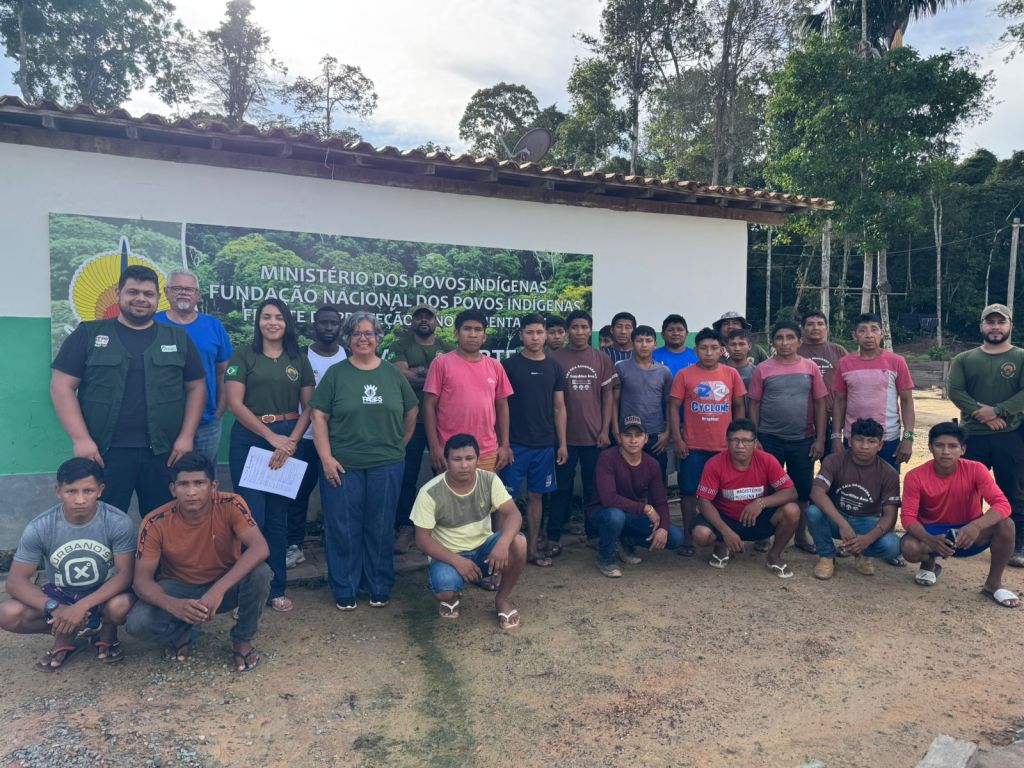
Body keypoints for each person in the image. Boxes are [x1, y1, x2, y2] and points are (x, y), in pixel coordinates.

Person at [50, 264, 206, 516]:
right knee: (103, 520)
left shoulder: (177, 338)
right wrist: (81, 439)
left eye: (148, 294)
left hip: (163, 453)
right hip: (103, 453)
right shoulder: (89, 334)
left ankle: (153, 558)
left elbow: (197, 388)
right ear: (118, 293)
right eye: (133, 292)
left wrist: (186, 437)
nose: (141, 299)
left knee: (163, 521)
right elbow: (61, 386)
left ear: (158, 298)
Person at [310, 312, 418, 610]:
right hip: (343, 465)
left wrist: (401, 443)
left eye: (369, 333)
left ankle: (378, 584)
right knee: (343, 527)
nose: (363, 338)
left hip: (387, 464)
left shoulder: (392, 374)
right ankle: (345, 586)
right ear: (348, 339)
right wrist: (326, 458)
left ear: (378, 338)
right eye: (356, 333)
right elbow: (318, 415)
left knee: (381, 527)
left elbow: (411, 410)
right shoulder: (336, 374)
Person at [126, 452, 273, 671]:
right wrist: (173, 605)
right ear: (173, 489)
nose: (192, 492)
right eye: (184, 484)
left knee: (260, 572)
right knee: (137, 624)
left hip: (223, 585)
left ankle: (242, 639)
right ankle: (183, 629)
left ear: (213, 486)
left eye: (199, 483)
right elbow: (141, 581)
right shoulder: (155, 521)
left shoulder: (231, 504)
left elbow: (260, 547)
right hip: (177, 587)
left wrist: (217, 591)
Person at [0, 458, 135, 671]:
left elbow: (125, 574)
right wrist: (56, 608)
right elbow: (16, 582)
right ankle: (68, 632)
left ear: (100, 490)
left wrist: (82, 606)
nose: (80, 500)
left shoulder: (117, 522)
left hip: (105, 593)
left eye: (88, 491)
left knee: (121, 606)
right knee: (7, 614)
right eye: (71, 491)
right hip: (61, 594)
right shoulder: (41, 526)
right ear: (58, 491)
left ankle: (107, 630)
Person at [225, 298, 314, 613]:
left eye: (279, 317)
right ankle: (246, 593)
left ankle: (276, 588)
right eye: (266, 317)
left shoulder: (297, 358)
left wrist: (290, 441)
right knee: (251, 519)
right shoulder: (244, 355)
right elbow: (235, 403)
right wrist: (270, 437)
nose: (273, 322)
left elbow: (310, 407)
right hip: (251, 439)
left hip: (289, 442)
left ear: (287, 323)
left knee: (277, 520)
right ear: (258, 322)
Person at [411, 434, 527, 629]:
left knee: (519, 542)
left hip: (484, 550)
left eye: (469, 458)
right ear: (446, 462)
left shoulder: (489, 480)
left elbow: (514, 514)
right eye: (457, 459)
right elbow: (422, 539)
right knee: (444, 590)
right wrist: (458, 561)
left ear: (477, 460)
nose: (464, 465)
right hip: (450, 556)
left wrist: (502, 543)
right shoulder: (430, 492)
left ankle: (502, 600)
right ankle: (453, 596)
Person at [899, 423, 1019, 608]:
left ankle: (993, 584)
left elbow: (1002, 504)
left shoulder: (977, 469)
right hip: (933, 531)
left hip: (968, 531)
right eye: (939, 445)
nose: (946, 451)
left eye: (953, 446)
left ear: (962, 449)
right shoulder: (915, 476)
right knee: (909, 548)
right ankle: (929, 562)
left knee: (1006, 524)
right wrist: (929, 539)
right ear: (930, 448)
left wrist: (976, 526)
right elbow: (907, 517)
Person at [947, 303, 1024, 567]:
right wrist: (985, 414)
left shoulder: (1020, 357)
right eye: (990, 322)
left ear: (1009, 326)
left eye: (1000, 322)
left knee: (1012, 489)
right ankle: (967, 537)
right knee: (967, 490)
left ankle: (1016, 544)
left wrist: (1000, 410)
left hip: (1010, 434)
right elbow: (956, 391)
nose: (995, 327)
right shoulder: (965, 359)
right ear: (981, 326)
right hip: (972, 435)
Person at [748, 321, 827, 553]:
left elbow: (820, 403)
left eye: (790, 337)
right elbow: (754, 404)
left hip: (802, 440)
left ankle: (801, 535)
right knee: (768, 489)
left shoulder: (810, 368)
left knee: (802, 491)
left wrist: (820, 438)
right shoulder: (763, 368)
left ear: (799, 342)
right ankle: (764, 535)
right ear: (772, 342)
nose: (785, 343)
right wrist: (755, 437)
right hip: (769, 439)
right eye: (780, 338)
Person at [669, 327, 746, 555]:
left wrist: (738, 437)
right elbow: (673, 407)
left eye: (714, 348)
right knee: (689, 491)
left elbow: (740, 405)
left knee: (724, 494)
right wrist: (678, 438)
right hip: (693, 446)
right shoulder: (684, 374)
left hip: (724, 447)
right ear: (696, 350)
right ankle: (688, 538)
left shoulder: (731, 374)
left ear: (722, 350)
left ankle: (722, 537)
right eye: (703, 348)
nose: (709, 353)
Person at [691, 419, 800, 578]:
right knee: (701, 533)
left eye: (746, 441)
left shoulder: (767, 460)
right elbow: (703, 501)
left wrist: (761, 503)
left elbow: (791, 492)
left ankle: (774, 555)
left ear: (755, 443)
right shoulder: (714, 464)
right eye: (735, 440)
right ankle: (721, 544)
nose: (740, 446)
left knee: (792, 510)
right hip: (726, 519)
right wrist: (725, 531)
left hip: (757, 518)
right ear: (727, 442)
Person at [499, 314, 567, 567]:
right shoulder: (508, 366)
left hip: (544, 445)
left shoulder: (554, 367)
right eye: (530, 332)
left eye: (540, 332)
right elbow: (500, 407)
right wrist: (503, 444)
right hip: (515, 445)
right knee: (505, 499)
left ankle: (532, 550)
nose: (535, 337)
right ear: (521, 335)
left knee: (537, 497)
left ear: (546, 335)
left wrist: (561, 443)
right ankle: (501, 553)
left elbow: (559, 408)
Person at [548, 310, 616, 555]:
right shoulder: (554, 358)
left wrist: (605, 429)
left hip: (595, 437)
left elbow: (608, 397)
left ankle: (593, 533)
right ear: (567, 331)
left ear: (591, 330)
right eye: (574, 327)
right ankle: (553, 535)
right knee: (561, 487)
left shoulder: (602, 359)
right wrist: (560, 438)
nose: (579, 332)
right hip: (563, 437)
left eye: (584, 327)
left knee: (593, 487)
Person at [284, 305, 347, 569]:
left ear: (340, 325)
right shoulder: (299, 357)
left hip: (340, 440)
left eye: (334, 323)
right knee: (297, 495)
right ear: (314, 325)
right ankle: (294, 545)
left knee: (339, 495)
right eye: (324, 323)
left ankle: (337, 543)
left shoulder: (350, 356)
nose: (329, 328)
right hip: (306, 437)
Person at [155, 270, 234, 466]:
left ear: (197, 295)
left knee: (204, 480)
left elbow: (224, 371)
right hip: (163, 424)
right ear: (166, 292)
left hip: (207, 423)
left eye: (189, 289)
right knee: (163, 482)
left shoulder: (213, 325)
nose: (184, 293)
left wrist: (219, 411)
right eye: (177, 288)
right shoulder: (153, 324)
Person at [806, 418, 902, 579]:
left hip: (867, 521)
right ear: (850, 441)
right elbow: (817, 492)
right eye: (859, 440)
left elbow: (890, 516)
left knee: (893, 545)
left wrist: (868, 539)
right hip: (836, 517)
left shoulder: (889, 473)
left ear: (880, 445)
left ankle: (862, 554)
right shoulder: (834, 460)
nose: (864, 446)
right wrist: (842, 524)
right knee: (813, 512)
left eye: (871, 442)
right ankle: (827, 557)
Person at [589, 416, 684, 577]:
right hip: (603, 513)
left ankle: (626, 541)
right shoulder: (607, 458)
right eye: (628, 435)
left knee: (675, 538)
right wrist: (645, 508)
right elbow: (609, 498)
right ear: (619, 437)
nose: (633, 440)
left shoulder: (652, 464)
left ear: (646, 438)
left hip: (632, 515)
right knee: (615, 516)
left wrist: (663, 528)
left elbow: (660, 501)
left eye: (638, 435)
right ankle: (606, 558)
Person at [424, 309, 513, 474]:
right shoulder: (441, 364)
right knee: (450, 500)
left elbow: (502, 407)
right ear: (456, 333)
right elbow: (429, 406)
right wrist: (434, 447)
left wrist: (504, 445)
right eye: (467, 329)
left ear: (484, 336)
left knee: (485, 499)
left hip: (487, 452)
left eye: (478, 330)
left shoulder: (495, 366)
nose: (473, 334)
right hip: (450, 452)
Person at [390, 304, 449, 554]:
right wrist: (436, 377)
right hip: (411, 420)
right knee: (407, 475)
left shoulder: (447, 348)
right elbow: (402, 375)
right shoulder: (401, 344)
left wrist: (421, 373)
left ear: (436, 321)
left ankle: (441, 526)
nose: (424, 320)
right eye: (419, 317)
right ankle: (405, 526)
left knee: (444, 474)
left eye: (429, 316)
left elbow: (450, 378)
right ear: (412, 321)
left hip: (443, 421)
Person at [831, 313, 915, 470]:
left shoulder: (896, 361)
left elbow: (907, 401)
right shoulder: (845, 363)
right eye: (862, 330)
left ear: (882, 334)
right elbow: (839, 401)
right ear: (854, 335)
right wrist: (836, 437)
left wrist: (908, 438)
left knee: (886, 487)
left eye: (874, 330)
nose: (869, 335)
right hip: (853, 438)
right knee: (852, 485)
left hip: (888, 439)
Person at [612, 325, 673, 479]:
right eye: (639, 341)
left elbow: (669, 404)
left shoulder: (664, 371)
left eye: (648, 340)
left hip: (656, 436)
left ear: (655, 344)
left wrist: (667, 432)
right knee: (627, 481)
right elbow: (614, 402)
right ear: (632, 344)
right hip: (628, 434)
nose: (644, 345)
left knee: (657, 481)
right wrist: (615, 431)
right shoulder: (620, 368)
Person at [798, 310, 848, 454]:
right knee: (803, 469)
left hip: (833, 419)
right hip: (804, 421)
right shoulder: (794, 351)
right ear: (802, 328)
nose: (815, 328)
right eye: (810, 324)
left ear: (827, 328)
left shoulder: (838, 351)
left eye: (820, 324)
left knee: (833, 466)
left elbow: (848, 385)